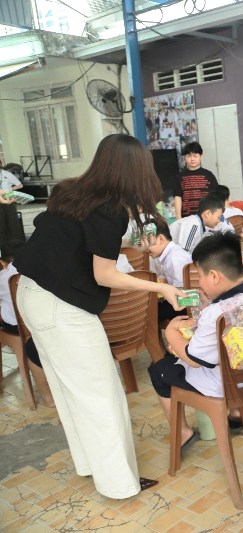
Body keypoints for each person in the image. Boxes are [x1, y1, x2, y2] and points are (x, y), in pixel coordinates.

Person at [14, 133, 185, 498]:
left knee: (71, 389)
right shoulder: (110, 210)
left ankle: (91, 465)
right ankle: (120, 484)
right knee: (101, 393)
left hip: (31, 295)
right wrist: (160, 288)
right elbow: (104, 274)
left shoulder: (73, 192)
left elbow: (77, 241)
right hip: (60, 306)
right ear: (135, 171)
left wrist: (124, 244)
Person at [150, 232, 243, 453]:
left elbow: (193, 360)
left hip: (224, 385)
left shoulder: (214, 313)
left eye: (200, 276)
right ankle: (237, 414)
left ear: (214, 276)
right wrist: (209, 303)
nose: (200, 282)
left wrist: (172, 332)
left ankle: (183, 433)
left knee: (159, 370)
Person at [0, 239, 54, 407]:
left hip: (17, 327)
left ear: (3, 262)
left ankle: (47, 397)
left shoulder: (3, 278)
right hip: (41, 321)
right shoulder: (42, 267)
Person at [148, 221, 193, 322]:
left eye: (148, 242)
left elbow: (182, 292)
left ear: (160, 239)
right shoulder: (171, 253)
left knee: (150, 312)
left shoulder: (174, 259)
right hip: (181, 298)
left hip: (186, 304)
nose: (145, 248)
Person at [173, 142, 218, 219]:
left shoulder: (209, 175)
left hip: (206, 218)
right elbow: (178, 197)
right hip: (187, 219)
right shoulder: (179, 176)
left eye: (195, 156)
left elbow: (216, 196)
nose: (192, 159)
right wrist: (178, 218)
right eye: (189, 156)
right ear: (185, 157)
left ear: (201, 156)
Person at [0, 162, 24, 246]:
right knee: (1, 224)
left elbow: (20, 185)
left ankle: (16, 244)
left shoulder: (7, 174)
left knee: (12, 222)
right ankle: (2, 245)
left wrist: (10, 189)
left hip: (9, 200)